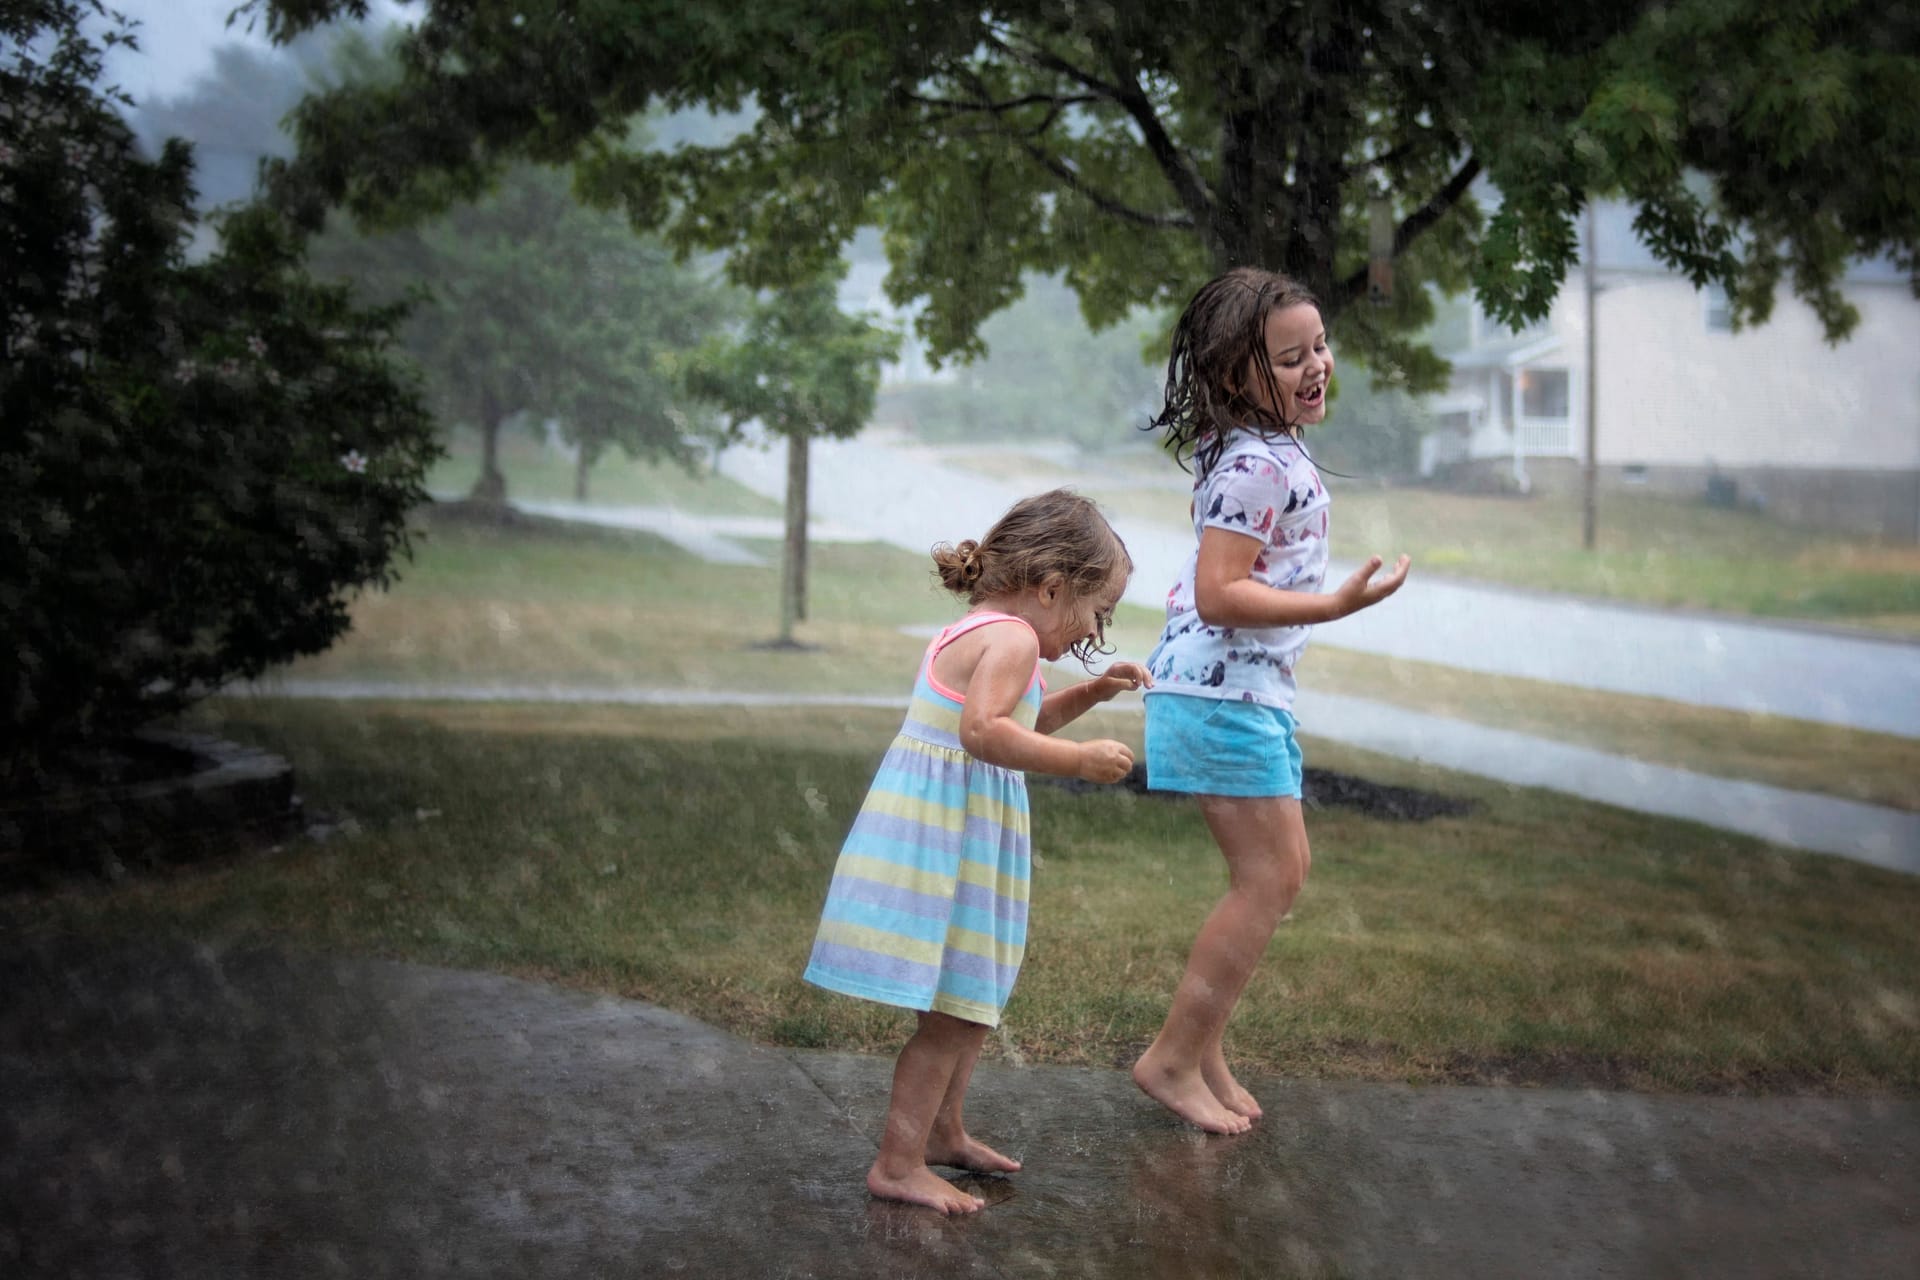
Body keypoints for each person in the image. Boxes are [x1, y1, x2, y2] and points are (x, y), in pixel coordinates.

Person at [802, 488, 1153, 1214]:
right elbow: (985, 733)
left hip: (954, 835)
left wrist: (1087, 695)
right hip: (945, 840)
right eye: (1097, 610)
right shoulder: (1015, 639)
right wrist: (1080, 760)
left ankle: (943, 1134)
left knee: (969, 997)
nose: (1096, 627)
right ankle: (898, 1163)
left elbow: (1018, 717)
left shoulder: (988, 629)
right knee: (950, 1015)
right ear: (1052, 587)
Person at [1133, 268, 1411, 1135]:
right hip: (1221, 695)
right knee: (1272, 876)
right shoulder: (1256, 462)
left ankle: (1202, 1046)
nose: (1317, 366)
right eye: (1290, 357)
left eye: (1319, 347)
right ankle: (1173, 1058)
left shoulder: (1268, 451)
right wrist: (1332, 604)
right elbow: (1220, 592)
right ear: (1233, 378)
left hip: (1242, 694)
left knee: (1270, 877)